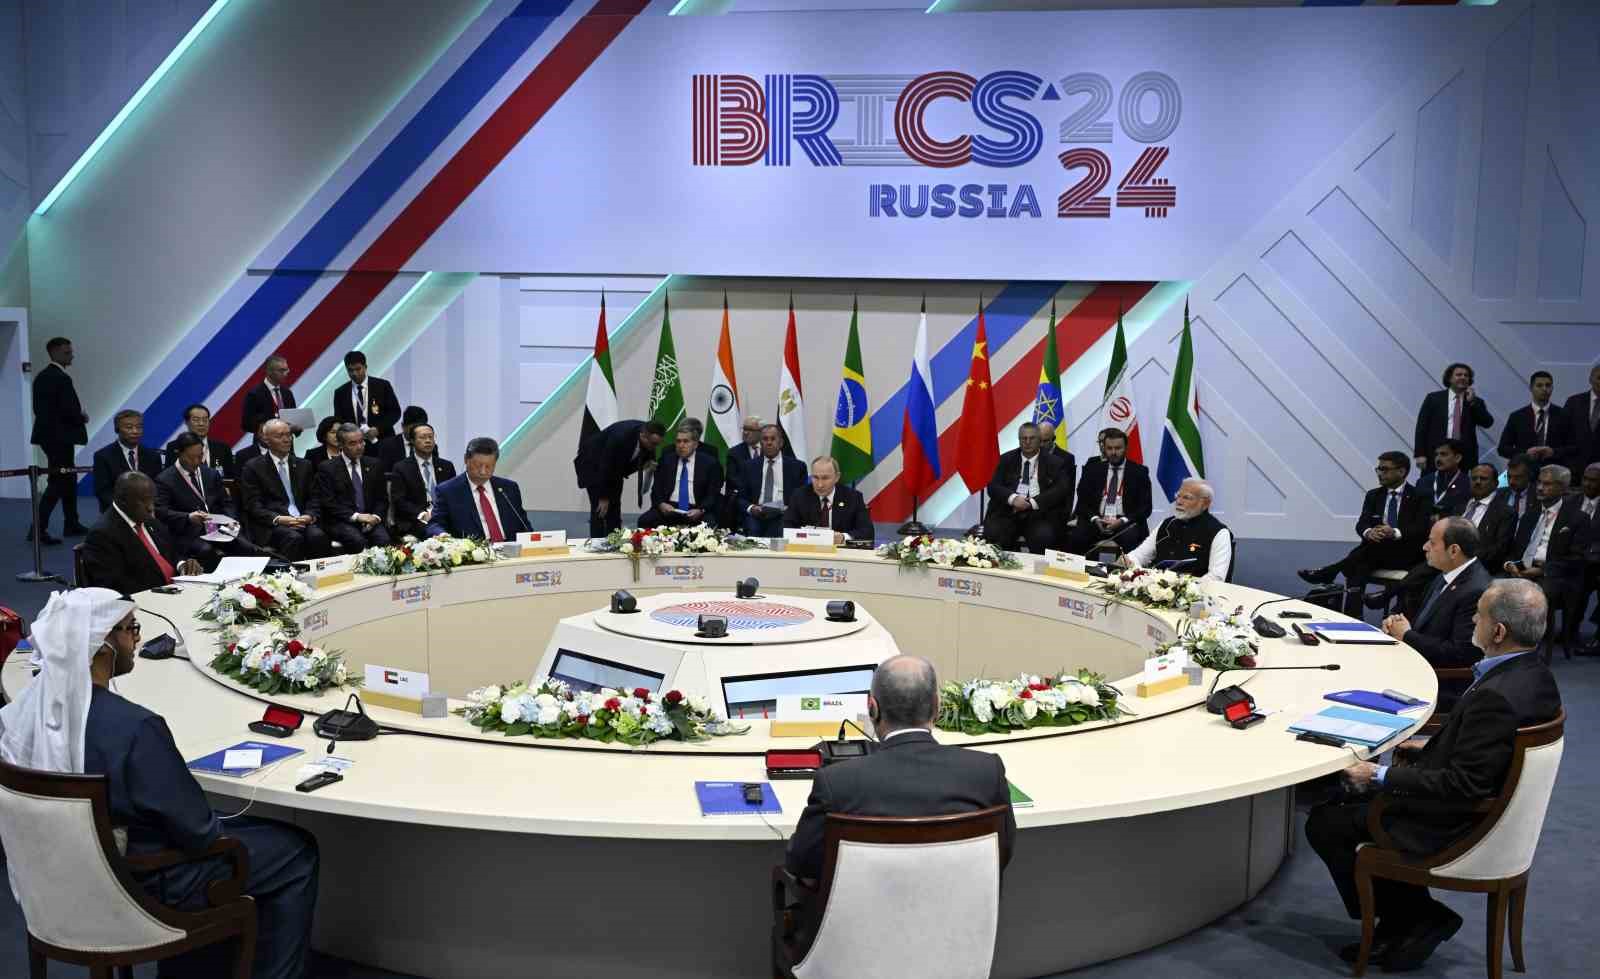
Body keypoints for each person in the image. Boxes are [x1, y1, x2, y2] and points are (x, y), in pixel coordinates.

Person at [0, 588, 320, 979]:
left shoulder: (27, 713)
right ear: (103, 643)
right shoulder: (137, 727)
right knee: (295, 850)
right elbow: (199, 831)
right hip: (142, 885)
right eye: (131, 629)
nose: (137, 639)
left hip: (56, 881)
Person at [1305, 580, 1561, 972]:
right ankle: (1407, 920)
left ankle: (1417, 918)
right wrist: (1427, 748)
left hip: (1455, 821)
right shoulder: (1535, 675)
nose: (1472, 620)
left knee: (1326, 822)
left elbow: (1464, 785)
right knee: (1343, 802)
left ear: (1498, 632)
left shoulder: (1496, 696)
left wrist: (1379, 775)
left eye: (1479, 615)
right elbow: (1489, 752)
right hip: (1493, 807)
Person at [784, 655, 1015, 884]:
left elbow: (802, 862)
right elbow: (1001, 853)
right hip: (961, 908)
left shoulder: (836, 782)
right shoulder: (986, 771)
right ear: (937, 706)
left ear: (872, 709)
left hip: (864, 908)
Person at [1299, 451, 1429, 616]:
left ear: (1401, 471)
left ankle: (1330, 571)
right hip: (1376, 553)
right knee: (1357, 567)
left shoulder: (1420, 496)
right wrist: (1368, 532)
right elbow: (1362, 524)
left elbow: (1422, 529)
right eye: (1378, 469)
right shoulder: (1373, 495)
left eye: (1384, 469)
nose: (1380, 473)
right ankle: (1353, 616)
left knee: (1360, 557)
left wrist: (1394, 532)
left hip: (1406, 554)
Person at [1380, 517, 1492, 704]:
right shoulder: (1446, 575)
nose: (1425, 547)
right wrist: (1395, 622)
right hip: (1418, 664)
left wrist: (1407, 635)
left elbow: (1460, 654)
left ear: (1454, 550)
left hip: (1440, 682)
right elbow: (1421, 618)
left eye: (1432, 543)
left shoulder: (1475, 590)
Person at [1505, 464, 1591, 653]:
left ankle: (1529, 647)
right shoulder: (1530, 514)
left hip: (1556, 575)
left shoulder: (1578, 518)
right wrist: (1511, 564)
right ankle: (1504, 641)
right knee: (1492, 587)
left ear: (1563, 488)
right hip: (1524, 568)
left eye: (1548, 484)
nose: (1540, 488)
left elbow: (1577, 558)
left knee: (1534, 594)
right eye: (1539, 483)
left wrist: (1542, 570)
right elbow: (1516, 548)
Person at [81, 473, 202, 594]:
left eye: (152, 499)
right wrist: (165, 591)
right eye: (144, 500)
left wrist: (183, 565)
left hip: (178, 589)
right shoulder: (102, 535)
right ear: (123, 500)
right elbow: (115, 586)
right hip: (150, 598)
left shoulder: (147, 519)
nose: (151, 507)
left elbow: (172, 553)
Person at [29, 336, 91, 544]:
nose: (71, 355)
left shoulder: (43, 376)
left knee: (68, 478)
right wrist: (81, 417)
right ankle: (38, 529)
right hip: (60, 438)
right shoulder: (60, 378)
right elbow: (67, 410)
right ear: (54, 352)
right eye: (67, 352)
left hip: (52, 437)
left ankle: (71, 523)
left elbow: (41, 410)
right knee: (59, 481)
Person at [239, 419, 327, 560]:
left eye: (288, 434)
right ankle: (291, 573)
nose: (287, 439)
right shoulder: (253, 467)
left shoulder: (304, 465)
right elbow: (253, 505)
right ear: (266, 439)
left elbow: (314, 497)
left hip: (302, 519)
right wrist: (278, 519)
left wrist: (310, 515)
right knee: (293, 537)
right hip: (273, 523)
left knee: (317, 536)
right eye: (280, 436)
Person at [982, 422, 1074, 554]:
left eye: (1032, 438)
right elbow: (993, 486)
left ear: (1040, 440)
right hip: (1008, 512)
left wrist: (1032, 503)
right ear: (1019, 440)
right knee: (994, 533)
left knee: (1044, 537)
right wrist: (1013, 499)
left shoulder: (1055, 462)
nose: (1027, 442)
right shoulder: (1006, 459)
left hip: (1039, 514)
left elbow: (1061, 489)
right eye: (1024, 438)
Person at [154, 433, 241, 569]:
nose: (196, 462)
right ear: (179, 453)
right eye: (190, 457)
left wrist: (230, 519)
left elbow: (226, 502)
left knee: (245, 545)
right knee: (207, 551)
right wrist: (188, 517)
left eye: (200, 456)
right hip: (188, 533)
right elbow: (161, 512)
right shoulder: (164, 480)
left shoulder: (211, 474)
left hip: (217, 528)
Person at [1122, 478, 1232, 581]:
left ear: (1205, 503)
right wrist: (1130, 562)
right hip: (1155, 588)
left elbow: (1216, 577)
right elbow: (1139, 555)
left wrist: (1183, 588)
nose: (1179, 501)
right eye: (1178, 496)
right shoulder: (1166, 524)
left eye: (1186, 498)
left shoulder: (1219, 532)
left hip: (1193, 592)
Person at [573, 419, 667, 538]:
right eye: (653, 444)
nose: (654, 447)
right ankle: (597, 543)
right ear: (643, 436)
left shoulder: (648, 435)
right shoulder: (620, 437)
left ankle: (614, 541)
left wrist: (648, 463)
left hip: (614, 470)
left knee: (615, 508)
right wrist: (603, 497)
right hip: (594, 466)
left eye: (657, 444)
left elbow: (623, 466)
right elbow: (606, 466)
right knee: (600, 510)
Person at [1067, 428, 1152, 557]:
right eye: (1109, 448)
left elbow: (1146, 508)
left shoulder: (1139, 472)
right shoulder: (1092, 469)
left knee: (1132, 538)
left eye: (1118, 448)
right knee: (1075, 537)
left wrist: (1122, 520)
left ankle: (1126, 569)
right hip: (1097, 520)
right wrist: (1095, 519)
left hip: (1125, 523)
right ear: (1104, 448)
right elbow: (1082, 502)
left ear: (1126, 448)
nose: (1113, 452)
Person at [426, 437, 527, 541]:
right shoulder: (448, 490)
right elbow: (435, 524)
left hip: (511, 547)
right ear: (466, 459)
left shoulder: (509, 488)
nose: (483, 471)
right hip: (474, 549)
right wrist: (442, 534)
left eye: (488, 466)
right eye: (478, 465)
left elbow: (523, 525)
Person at [314, 423, 391, 551]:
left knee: (383, 540)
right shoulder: (327, 468)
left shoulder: (375, 464)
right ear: (341, 445)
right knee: (357, 541)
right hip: (342, 521)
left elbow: (382, 499)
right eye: (352, 443)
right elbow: (328, 503)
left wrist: (376, 517)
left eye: (361, 442)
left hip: (370, 519)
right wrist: (356, 516)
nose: (359, 447)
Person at [639, 424, 724, 530]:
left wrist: (701, 510)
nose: (681, 445)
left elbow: (713, 493)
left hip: (696, 509)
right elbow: (656, 489)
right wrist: (661, 504)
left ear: (695, 444)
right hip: (670, 508)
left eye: (686, 441)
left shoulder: (710, 463)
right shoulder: (666, 461)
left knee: (710, 525)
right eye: (678, 441)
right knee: (645, 520)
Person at [1413, 362, 1492, 472]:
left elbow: (1487, 423)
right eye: (1459, 375)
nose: (1463, 377)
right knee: (1431, 482)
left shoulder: (1475, 401)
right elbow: (1422, 427)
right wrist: (1420, 454)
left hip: (1464, 457)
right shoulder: (1433, 398)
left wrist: (1472, 402)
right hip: (1435, 454)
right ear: (1449, 378)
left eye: (1466, 375)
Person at [731, 424, 806, 537]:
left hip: (783, 514)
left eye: (773, 439)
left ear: (781, 443)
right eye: (765, 439)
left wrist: (789, 509)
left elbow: (801, 497)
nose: (769, 443)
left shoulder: (797, 467)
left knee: (781, 529)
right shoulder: (748, 466)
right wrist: (751, 508)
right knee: (752, 530)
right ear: (761, 443)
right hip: (757, 514)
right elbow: (740, 497)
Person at [784, 456, 874, 544]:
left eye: (825, 478)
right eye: (815, 477)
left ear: (837, 477)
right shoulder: (800, 496)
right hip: (808, 550)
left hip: (841, 551)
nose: (820, 485)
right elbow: (786, 527)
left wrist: (843, 538)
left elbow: (867, 532)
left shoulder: (853, 498)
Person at [91, 410, 164, 513]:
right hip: (116, 512)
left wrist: (148, 506)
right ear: (117, 430)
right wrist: (128, 508)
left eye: (139, 427)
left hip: (148, 511)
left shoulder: (153, 456)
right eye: (129, 427)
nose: (135, 431)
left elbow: (158, 487)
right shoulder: (103, 456)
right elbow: (103, 491)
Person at [390, 423, 455, 539]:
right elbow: (399, 500)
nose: (428, 441)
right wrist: (422, 514)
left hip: (443, 515)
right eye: (423, 437)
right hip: (416, 518)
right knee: (432, 531)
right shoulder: (401, 468)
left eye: (431, 437)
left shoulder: (446, 466)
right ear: (412, 441)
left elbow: (453, 495)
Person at [1498, 370, 1568, 465]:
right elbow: (1502, 448)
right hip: (1525, 469)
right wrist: (1525, 453)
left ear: (1552, 388)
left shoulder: (1564, 415)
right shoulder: (1517, 417)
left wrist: (1554, 452)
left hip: (1554, 469)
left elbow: (1573, 447)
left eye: (1548, 385)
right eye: (1539, 385)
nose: (1544, 389)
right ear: (1531, 388)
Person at [332, 351, 401, 443]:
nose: (354, 373)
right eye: (350, 370)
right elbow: (339, 421)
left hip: (383, 440)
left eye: (358, 369)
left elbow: (395, 413)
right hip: (354, 444)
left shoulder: (382, 386)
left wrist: (378, 429)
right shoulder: (340, 393)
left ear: (365, 367)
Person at [163, 404, 238, 480]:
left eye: (205, 420)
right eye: (196, 420)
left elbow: (230, 479)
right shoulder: (174, 447)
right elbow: (168, 478)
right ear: (186, 422)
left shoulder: (223, 448)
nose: (201, 424)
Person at [240, 355, 300, 443]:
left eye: (287, 370)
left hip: (287, 444)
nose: (286, 373)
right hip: (265, 445)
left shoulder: (287, 393)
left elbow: (293, 418)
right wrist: (270, 429)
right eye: (282, 370)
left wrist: (297, 427)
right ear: (269, 372)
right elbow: (246, 424)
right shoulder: (254, 394)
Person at [1414, 439, 1470, 520]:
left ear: (1457, 458)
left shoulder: (1467, 483)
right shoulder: (1423, 482)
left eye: (1444, 454)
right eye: (1436, 455)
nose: (1438, 459)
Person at [1559, 361, 1600, 470]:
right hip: (1574, 465)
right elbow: (1561, 433)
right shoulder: (1574, 402)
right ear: (1590, 379)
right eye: (1599, 378)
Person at [377, 405, 430, 471]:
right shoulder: (387, 446)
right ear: (403, 426)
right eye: (414, 429)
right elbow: (384, 472)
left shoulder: (429, 445)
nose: (417, 433)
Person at [1498, 453, 1536, 525]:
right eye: (1509, 477)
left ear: (1529, 476)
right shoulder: (1498, 495)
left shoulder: (1538, 496)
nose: (1511, 482)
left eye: (1517, 477)